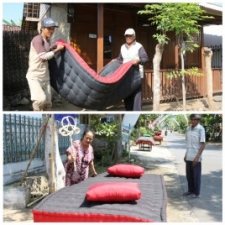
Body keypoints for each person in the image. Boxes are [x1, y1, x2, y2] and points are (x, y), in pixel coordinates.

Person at [26, 17, 65, 111]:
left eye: (53, 29)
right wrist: (57, 50)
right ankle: (36, 110)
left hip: (45, 76)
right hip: (35, 76)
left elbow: (48, 54)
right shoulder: (37, 40)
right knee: (41, 99)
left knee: (48, 103)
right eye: (49, 28)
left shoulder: (47, 41)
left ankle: (47, 123)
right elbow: (43, 58)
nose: (51, 31)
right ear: (42, 28)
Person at [116, 28, 149, 111]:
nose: (128, 37)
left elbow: (145, 58)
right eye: (126, 36)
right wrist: (116, 60)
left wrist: (138, 61)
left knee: (137, 96)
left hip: (137, 75)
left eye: (130, 36)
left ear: (134, 37)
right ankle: (129, 112)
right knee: (127, 96)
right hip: (126, 75)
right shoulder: (122, 47)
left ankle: (137, 113)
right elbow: (120, 59)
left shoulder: (139, 46)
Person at [183, 114, 206, 198]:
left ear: (198, 120)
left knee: (196, 176)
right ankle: (190, 190)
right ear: (191, 120)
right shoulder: (188, 129)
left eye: (196, 120)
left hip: (196, 157)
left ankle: (196, 193)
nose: (194, 121)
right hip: (188, 155)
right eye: (193, 119)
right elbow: (188, 144)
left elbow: (203, 144)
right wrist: (185, 155)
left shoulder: (201, 129)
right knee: (189, 175)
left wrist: (197, 157)